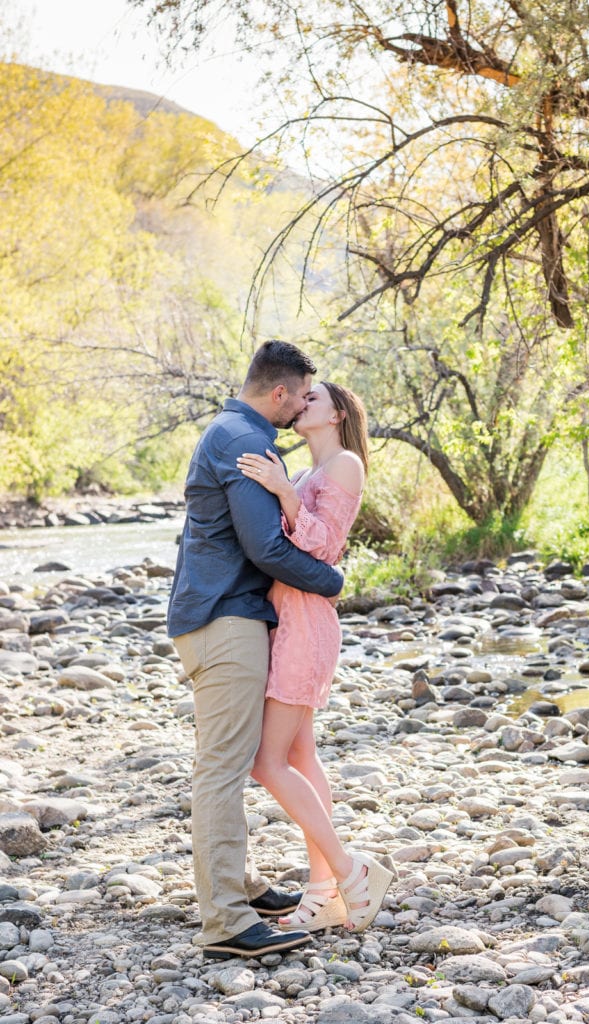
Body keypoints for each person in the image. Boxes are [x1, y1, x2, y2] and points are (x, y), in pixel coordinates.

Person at [167, 341, 345, 960]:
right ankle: (227, 922)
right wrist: (332, 582)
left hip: (220, 615)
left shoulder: (232, 431)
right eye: (300, 397)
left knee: (233, 757)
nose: (301, 409)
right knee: (222, 767)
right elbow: (266, 547)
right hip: (225, 619)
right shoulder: (244, 439)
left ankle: (243, 889)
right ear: (279, 392)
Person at [236, 381, 393, 934]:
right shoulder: (306, 473)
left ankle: (351, 872)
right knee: (301, 757)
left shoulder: (345, 465)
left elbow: (324, 546)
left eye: (313, 399)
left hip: (306, 623)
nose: (301, 404)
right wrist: (285, 487)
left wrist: (283, 491)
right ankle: (323, 891)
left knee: (266, 761)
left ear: (337, 414)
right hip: (287, 617)